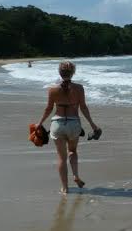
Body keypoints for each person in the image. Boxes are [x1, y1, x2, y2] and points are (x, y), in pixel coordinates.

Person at [37, 61, 101, 194]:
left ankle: (65, 188)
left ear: (59, 73)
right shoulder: (79, 88)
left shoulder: (52, 89)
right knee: (73, 151)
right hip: (74, 124)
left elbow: (48, 109)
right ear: (73, 73)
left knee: (61, 157)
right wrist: (93, 124)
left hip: (57, 124)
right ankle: (76, 176)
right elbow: (83, 107)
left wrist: (40, 123)